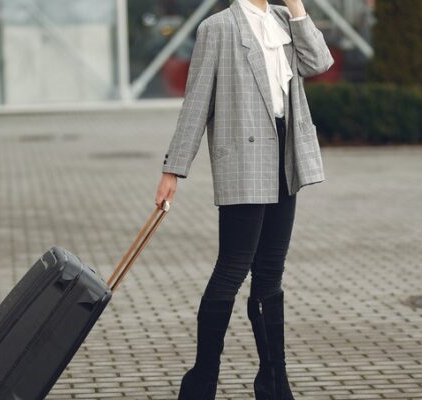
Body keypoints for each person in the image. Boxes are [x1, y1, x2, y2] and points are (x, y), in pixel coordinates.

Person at [155, 0, 333, 399]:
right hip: (245, 158)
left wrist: (299, 8)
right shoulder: (217, 28)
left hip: (285, 153)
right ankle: (202, 381)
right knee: (232, 269)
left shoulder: (285, 20)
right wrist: (173, 169)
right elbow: (196, 103)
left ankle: (273, 381)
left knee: (270, 273)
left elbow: (319, 62)